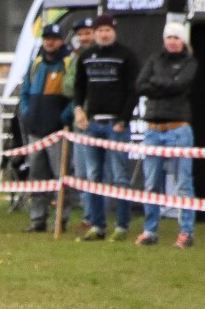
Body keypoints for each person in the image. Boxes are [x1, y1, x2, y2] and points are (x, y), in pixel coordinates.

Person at [72, 14, 139, 242]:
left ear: (114, 31)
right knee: (94, 176)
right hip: (93, 124)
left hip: (116, 125)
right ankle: (97, 225)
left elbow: (133, 91)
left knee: (120, 177)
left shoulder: (126, 56)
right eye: (100, 30)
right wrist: (78, 109)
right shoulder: (86, 57)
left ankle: (121, 225)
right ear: (94, 33)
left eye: (107, 30)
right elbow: (79, 87)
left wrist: (123, 120)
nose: (103, 34)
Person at [134, 21, 198, 248]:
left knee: (184, 183)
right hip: (153, 129)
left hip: (179, 127)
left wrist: (156, 83)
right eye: (169, 37)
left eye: (176, 38)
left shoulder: (190, 63)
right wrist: (168, 83)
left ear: (183, 41)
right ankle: (150, 231)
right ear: (164, 39)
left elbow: (181, 86)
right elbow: (140, 85)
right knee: (151, 183)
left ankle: (186, 232)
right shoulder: (154, 59)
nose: (172, 41)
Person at [18, 23, 73, 232]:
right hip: (35, 131)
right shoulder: (36, 64)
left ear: (61, 41)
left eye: (54, 38)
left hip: (58, 131)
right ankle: (37, 218)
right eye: (46, 38)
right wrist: (26, 113)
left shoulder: (68, 63)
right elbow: (24, 93)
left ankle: (60, 219)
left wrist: (63, 118)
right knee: (36, 176)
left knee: (61, 177)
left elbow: (74, 95)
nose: (50, 42)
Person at [61, 17, 94, 231]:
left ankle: (96, 217)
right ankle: (88, 215)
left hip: (97, 120)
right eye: (80, 34)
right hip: (79, 122)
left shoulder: (101, 56)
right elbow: (66, 87)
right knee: (81, 172)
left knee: (97, 173)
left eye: (87, 33)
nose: (83, 37)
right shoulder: (75, 58)